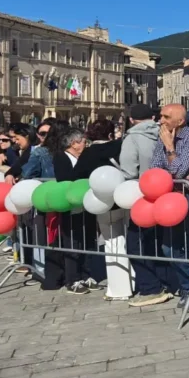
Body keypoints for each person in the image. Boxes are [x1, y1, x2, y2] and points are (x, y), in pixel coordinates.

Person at [137, 104, 189, 310]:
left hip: (188, 198)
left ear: (180, 121)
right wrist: (167, 150)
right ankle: (187, 286)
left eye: (166, 117)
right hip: (168, 201)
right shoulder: (162, 137)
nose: (161, 120)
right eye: (161, 116)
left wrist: (170, 148)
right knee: (168, 247)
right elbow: (155, 168)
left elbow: (180, 172)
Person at [72, 119, 131, 300]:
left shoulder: (88, 153)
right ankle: (134, 279)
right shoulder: (121, 146)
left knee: (112, 243)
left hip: (103, 203)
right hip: (126, 197)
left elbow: (78, 176)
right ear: (110, 133)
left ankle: (119, 288)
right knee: (129, 241)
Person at [49, 128, 97, 294]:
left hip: (87, 204)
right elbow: (66, 178)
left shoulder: (85, 157)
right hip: (71, 205)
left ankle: (87, 274)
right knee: (73, 241)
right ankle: (73, 279)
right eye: (83, 141)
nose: (85, 144)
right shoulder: (61, 157)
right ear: (73, 143)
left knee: (89, 239)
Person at [120, 103, 160, 179]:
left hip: (145, 186)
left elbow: (129, 172)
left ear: (131, 120)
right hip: (170, 184)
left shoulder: (131, 138)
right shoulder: (165, 134)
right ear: (153, 118)